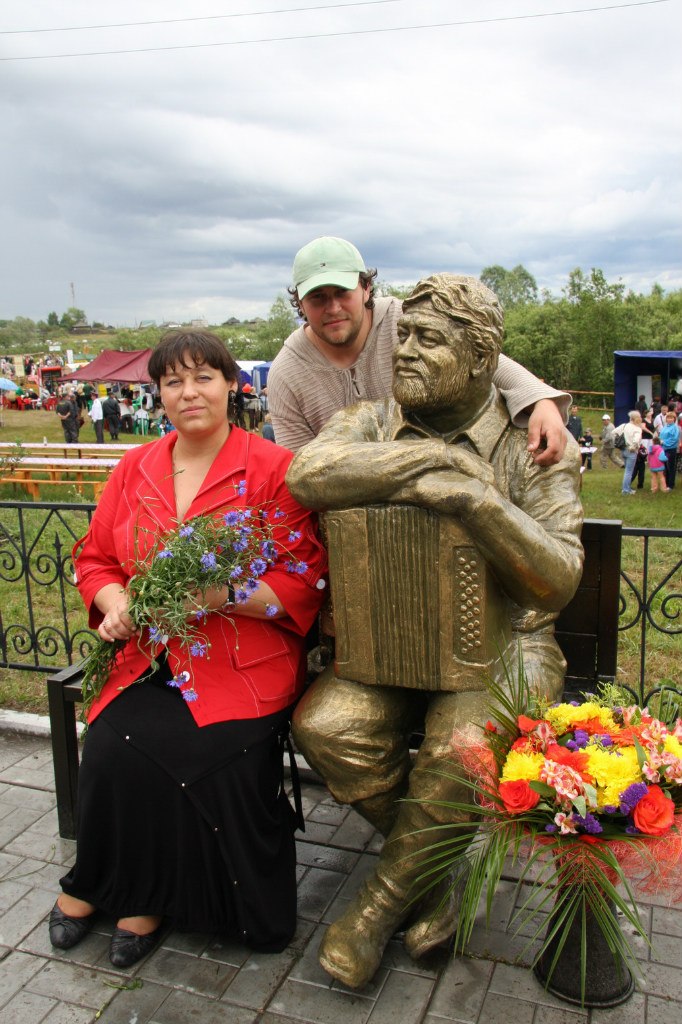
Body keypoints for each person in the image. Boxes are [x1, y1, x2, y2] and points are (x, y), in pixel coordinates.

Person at [286, 275, 583, 988]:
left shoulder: (532, 447)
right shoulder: (369, 420)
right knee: (327, 725)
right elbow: (308, 472)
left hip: (506, 645)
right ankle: (442, 877)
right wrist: (436, 459)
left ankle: (377, 907)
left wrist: (480, 501)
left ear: (482, 359)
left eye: (429, 339)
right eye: (405, 336)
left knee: (463, 745)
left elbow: (560, 579)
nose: (405, 352)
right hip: (393, 641)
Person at [48, 329, 327, 969]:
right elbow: (94, 558)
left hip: (240, 661)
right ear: (159, 395)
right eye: (172, 381)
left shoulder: (274, 470)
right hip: (146, 657)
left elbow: (302, 578)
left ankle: (147, 898)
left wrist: (222, 592)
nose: (188, 391)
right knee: (113, 745)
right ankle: (101, 885)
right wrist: (114, 602)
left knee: (187, 751)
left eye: (204, 376)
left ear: (234, 384)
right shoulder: (134, 467)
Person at [268, 237, 571, 463]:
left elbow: (488, 361)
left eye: (341, 293)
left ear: (366, 288)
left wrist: (541, 400)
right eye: (318, 297)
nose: (332, 308)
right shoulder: (287, 373)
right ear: (300, 303)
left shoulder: (406, 320)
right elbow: (299, 465)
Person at [615, 411, 643, 495]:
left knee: (627, 470)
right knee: (629, 471)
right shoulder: (637, 429)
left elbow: (614, 432)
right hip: (631, 451)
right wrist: (634, 447)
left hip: (623, 449)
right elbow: (636, 440)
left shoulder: (624, 425)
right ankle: (625, 490)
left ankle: (627, 488)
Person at [659, 410, 681, 490]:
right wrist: (660, 441)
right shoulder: (665, 427)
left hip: (671, 449)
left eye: (671, 418)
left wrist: (664, 442)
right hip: (663, 449)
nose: (669, 419)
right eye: (668, 417)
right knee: (665, 467)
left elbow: (674, 439)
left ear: (674, 419)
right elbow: (661, 436)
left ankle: (671, 485)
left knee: (671, 467)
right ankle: (666, 483)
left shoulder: (675, 428)